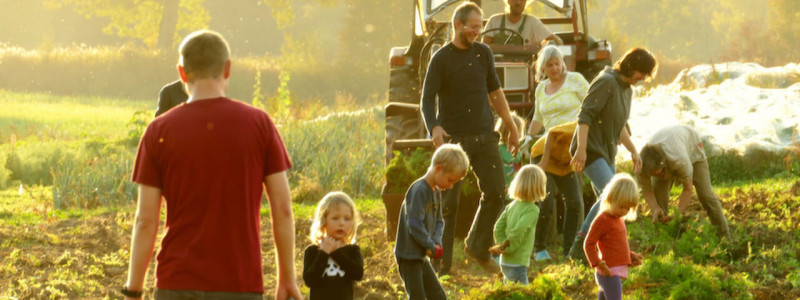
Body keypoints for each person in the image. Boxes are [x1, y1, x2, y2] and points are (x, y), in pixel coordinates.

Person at [122, 30, 302, 300]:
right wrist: (286, 278)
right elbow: (283, 210)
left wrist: (133, 290)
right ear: (227, 69)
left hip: (176, 283)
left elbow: (146, 220)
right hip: (240, 284)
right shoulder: (259, 124)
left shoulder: (158, 131)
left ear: (182, 73)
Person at [421, 2, 522, 275]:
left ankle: (477, 246)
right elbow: (427, 99)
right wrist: (434, 128)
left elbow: (495, 92)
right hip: (455, 141)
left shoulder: (483, 53)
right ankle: (441, 264)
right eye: (473, 27)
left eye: (481, 26)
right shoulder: (441, 58)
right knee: (449, 205)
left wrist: (511, 125)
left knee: (496, 193)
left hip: (485, 136)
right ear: (458, 24)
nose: (478, 31)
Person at [566, 47, 658, 262]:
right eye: (642, 73)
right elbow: (585, 115)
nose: (643, 78)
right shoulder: (606, 82)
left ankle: (598, 250)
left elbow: (620, 125)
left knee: (606, 203)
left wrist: (634, 150)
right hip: (589, 149)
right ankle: (579, 245)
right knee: (612, 196)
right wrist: (580, 150)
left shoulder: (627, 90)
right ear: (632, 66)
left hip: (606, 152)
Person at [519, 45, 588, 261]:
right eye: (550, 65)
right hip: (546, 151)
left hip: (568, 150)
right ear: (544, 68)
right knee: (545, 200)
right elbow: (538, 117)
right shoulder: (541, 89)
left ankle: (568, 249)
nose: (555, 68)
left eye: (558, 63)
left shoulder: (575, 80)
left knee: (574, 202)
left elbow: (591, 105)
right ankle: (539, 248)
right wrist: (528, 137)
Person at [394, 144, 470, 300]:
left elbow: (439, 222)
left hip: (420, 255)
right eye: (450, 180)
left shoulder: (436, 192)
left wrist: (436, 242)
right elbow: (414, 225)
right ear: (438, 168)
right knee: (417, 297)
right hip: (408, 255)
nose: (450, 186)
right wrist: (429, 245)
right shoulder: (419, 191)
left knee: (438, 296)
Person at [638, 125, 731, 239]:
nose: (662, 177)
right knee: (659, 197)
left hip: (692, 150)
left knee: (706, 196)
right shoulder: (641, 166)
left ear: (664, 162)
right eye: (654, 174)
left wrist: (677, 214)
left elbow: (687, 189)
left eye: (662, 172)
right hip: (669, 144)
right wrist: (656, 208)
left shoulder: (679, 158)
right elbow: (646, 190)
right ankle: (664, 238)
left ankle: (724, 236)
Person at [583, 173, 643, 300]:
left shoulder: (618, 219)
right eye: (621, 206)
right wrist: (598, 262)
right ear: (610, 198)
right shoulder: (603, 219)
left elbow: (616, 246)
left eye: (628, 208)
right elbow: (588, 243)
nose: (623, 211)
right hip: (608, 272)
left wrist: (631, 256)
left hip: (613, 271)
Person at [489, 164, 547, 284]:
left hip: (504, 261)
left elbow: (497, 227)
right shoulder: (533, 210)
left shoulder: (511, 206)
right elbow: (519, 230)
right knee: (522, 295)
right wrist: (507, 248)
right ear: (539, 187)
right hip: (518, 262)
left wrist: (501, 245)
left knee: (509, 291)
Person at [304, 192, 364, 300]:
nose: (341, 223)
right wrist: (324, 253)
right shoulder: (312, 251)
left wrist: (335, 251)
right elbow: (309, 280)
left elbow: (357, 274)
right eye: (335, 218)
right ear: (323, 220)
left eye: (347, 219)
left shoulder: (352, 250)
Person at [482, 0, 563, 46]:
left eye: (522, 0)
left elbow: (556, 40)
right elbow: (484, 48)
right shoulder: (494, 21)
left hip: (525, 69)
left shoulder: (533, 22)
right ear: (508, 1)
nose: (518, 2)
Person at [496, 112, 526, 186]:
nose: (519, 135)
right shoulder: (498, 149)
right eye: (517, 131)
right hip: (501, 188)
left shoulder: (517, 151)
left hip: (514, 189)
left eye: (520, 131)